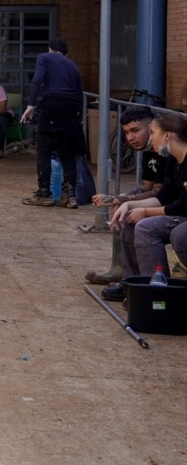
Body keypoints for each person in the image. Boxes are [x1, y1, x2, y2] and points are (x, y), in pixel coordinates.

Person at [102, 111, 187, 301]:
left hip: (181, 215)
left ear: (167, 135)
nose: (151, 138)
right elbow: (162, 196)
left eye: (153, 132)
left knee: (147, 227)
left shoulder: (175, 156)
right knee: (132, 218)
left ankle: (159, 295)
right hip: (177, 212)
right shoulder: (174, 159)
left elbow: (181, 206)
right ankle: (135, 285)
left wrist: (145, 211)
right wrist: (127, 204)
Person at [88, 107, 173, 285]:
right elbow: (145, 187)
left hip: (173, 207)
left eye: (135, 131)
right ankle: (128, 280)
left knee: (140, 223)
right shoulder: (151, 150)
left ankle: (152, 287)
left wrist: (119, 200)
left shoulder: (167, 151)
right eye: (126, 133)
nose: (130, 138)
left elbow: (161, 194)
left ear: (152, 128)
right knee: (125, 214)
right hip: (165, 204)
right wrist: (122, 198)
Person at [21, 38, 86, 208]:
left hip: (53, 105)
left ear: (50, 49)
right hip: (71, 109)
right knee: (67, 152)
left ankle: (44, 193)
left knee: (44, 149)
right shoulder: (72, 65)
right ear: (66, 53)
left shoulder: (44, 57)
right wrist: (77, 117)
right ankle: (70, 195)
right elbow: (80, 93)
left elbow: (37, 80)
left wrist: (31, 105)